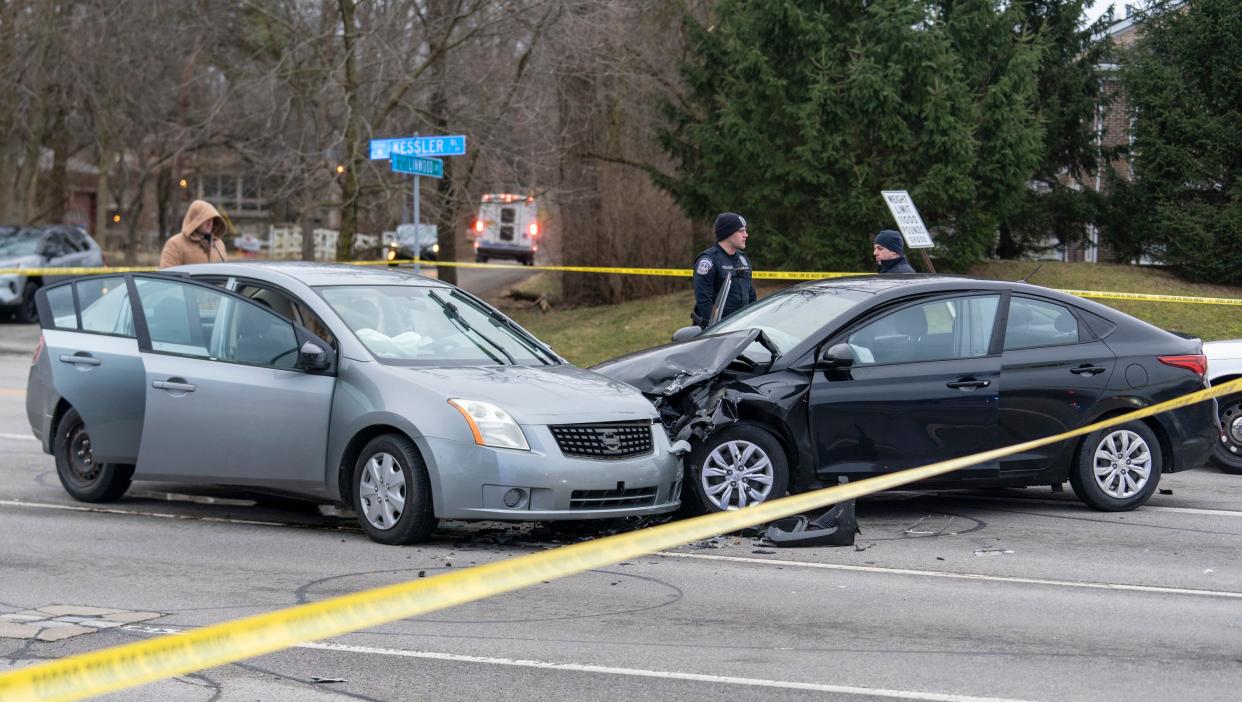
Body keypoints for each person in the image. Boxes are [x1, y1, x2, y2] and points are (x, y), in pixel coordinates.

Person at [692, 212, 756, 327]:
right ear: (728, 233)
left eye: (745, 230)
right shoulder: (708, 261)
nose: (746, 235)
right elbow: (704, 301)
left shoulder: (743, 259)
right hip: (718, 331)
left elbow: (751, 296)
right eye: (741, 231)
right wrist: (717, 327)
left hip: (742, 327)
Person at [159, 200, 229, 268]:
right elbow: (167, 275)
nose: (210, 223)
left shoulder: (219, 244)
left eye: (212, 219)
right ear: (195, 219)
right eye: (206, 219)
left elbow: (227, 272)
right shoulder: (175, 244)